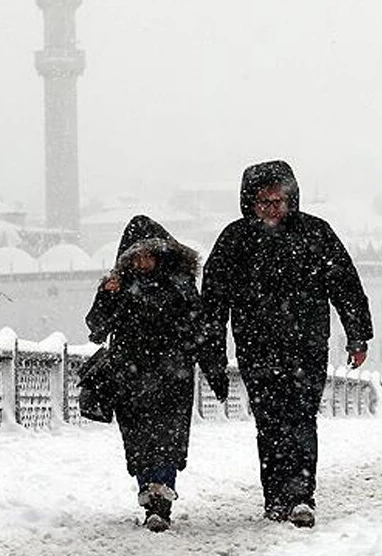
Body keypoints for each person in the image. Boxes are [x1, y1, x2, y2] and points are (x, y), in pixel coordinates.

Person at [201, 160, 372, 528]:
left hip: (306, 346)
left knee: (300, 418)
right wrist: (212, 352)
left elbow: (345, 285)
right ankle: (275, 496)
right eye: (264, 202)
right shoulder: (235, 240)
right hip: (256, 348)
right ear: (251, 202)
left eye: (278, 200)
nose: (272, 209)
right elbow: (212, 301)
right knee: (270, 421)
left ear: (291, 199)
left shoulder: (315, 234)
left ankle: (300, 495)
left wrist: (358, 334)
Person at [85, 215, 229, 533]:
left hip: (172, 377)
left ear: (163, 253)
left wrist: (215, 370)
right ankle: (149, 495)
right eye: (137, 255)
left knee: (167, 439)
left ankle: (160, 501)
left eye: (150, 253)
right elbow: (96, 329)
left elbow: (201, 330)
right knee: (138, 441)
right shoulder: (118, 287)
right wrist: (107, 295)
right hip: (130, 377)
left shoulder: (180, 285)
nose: (144, 261)